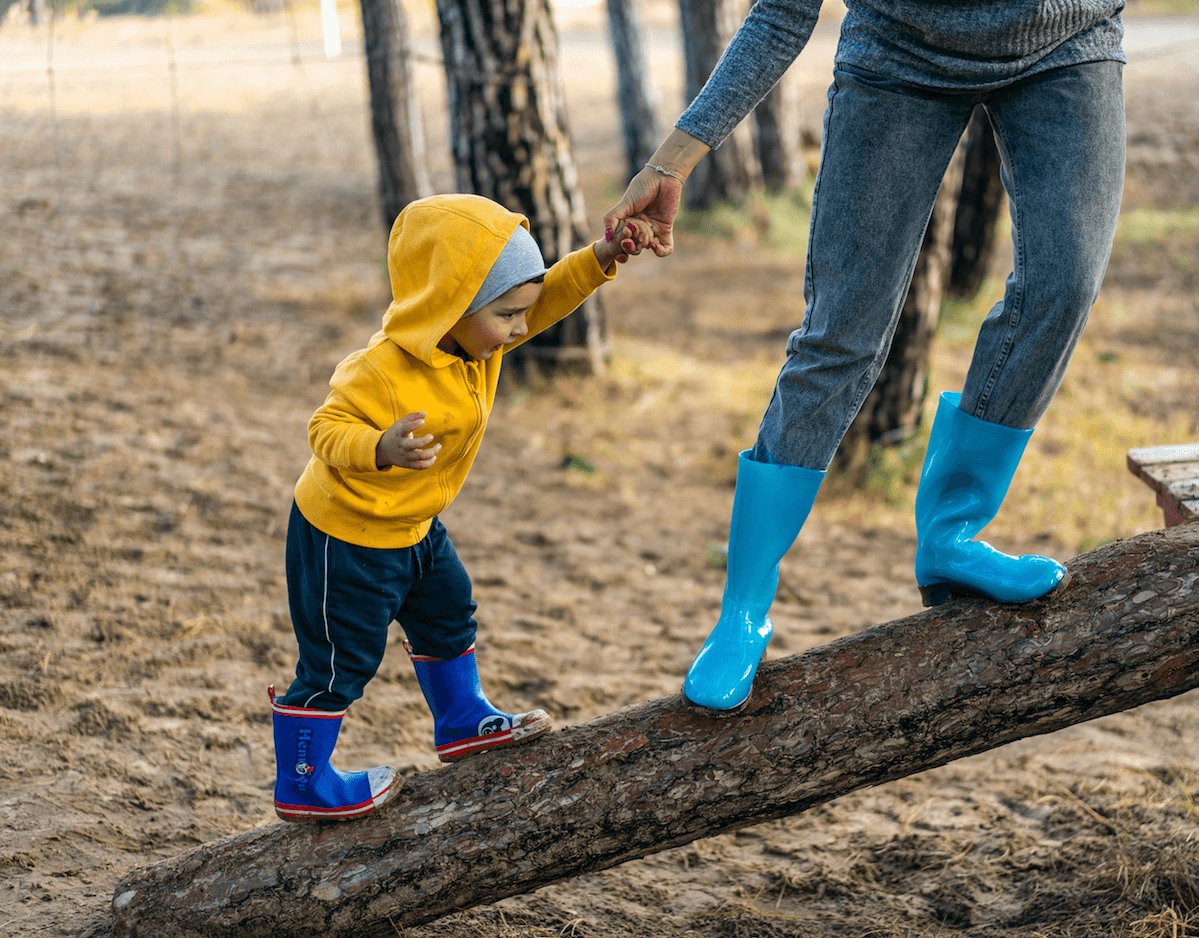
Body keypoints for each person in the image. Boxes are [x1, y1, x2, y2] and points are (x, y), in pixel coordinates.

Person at [605, 1, 1127, 712]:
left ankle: (952, 534)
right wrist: (676, 159)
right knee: (840, 335)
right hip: (899, 53)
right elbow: (783, 12)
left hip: (1070, 39)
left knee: (1063, 288)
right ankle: (743, 612)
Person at [269, 193, 656, 822]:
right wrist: (380, 447)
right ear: (451, 305)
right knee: (341, 661)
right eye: (507, 314)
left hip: (416, 526)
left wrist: (602, 255)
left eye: (520, 314)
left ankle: (461, 719)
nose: (520, 328)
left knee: (449, 611)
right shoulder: (382, 370)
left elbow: (547, 296)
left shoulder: (479, 341)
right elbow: (323, 429)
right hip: (348, 537)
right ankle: (303, 780)